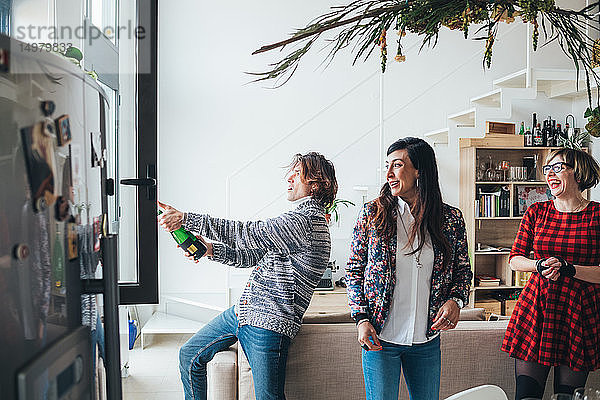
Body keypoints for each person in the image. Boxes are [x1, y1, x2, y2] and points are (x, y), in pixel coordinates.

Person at [158, 152, 337, 400]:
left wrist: (186, 219)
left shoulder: (305, 220)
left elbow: (247, 233)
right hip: (243, 313)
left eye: (297, 173)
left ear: (316, 183)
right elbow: (254, 255)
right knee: (189, 356)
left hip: (269, 325)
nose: (289, 177)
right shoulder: (299, 221)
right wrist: (210, 250)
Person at [346, 137, 473, 400]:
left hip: (426, 340)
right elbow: (354, 270)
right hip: (380, 338)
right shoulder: (373, 213)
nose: (389, 174)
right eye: (387, 166)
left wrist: (456, 301)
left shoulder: (450, 219)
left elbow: (463, 271)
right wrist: (361, 318)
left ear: (420, 170)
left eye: (397, 165)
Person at [501, 148, 600, 400]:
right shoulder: (537, 212)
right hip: (536, 310)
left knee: (567, 397)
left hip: (579, 314)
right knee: (526, 396)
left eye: (557, 168)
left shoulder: (598, 215)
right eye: (547, 169)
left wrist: (569, 269)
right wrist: (538, 265)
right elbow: (515, 259)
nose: (549, 174)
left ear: (578, 172)